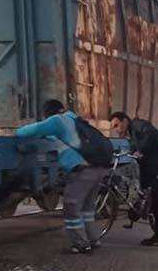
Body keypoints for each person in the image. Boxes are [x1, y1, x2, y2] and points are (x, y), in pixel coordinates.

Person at [17, 99, 108, 254]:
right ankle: (93, 241)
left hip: (82, 170)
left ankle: (80, 244)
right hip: (97, 168)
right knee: (86, 209)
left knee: (72, 208)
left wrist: (16, 132)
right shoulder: (74, 120)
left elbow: (30, 130)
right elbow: (65, 140)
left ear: (48, 113)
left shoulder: (57, 121)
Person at [110, 112, 158, 246]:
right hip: (156, 168)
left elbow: (150, 135)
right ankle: (157, 235)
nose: (116, 130)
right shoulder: (130, 134)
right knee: (154, 201)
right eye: (114, 127)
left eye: (117, 125)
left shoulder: (138, 125)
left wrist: (140, 150)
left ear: (125, 121)